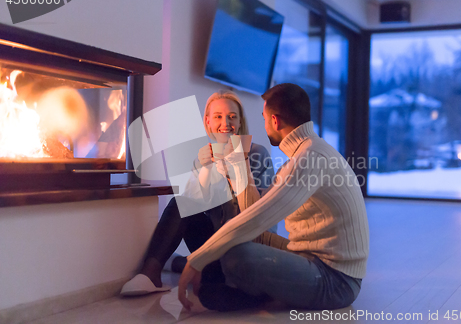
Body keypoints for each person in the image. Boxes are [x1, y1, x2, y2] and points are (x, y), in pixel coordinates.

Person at [178, 83, 370, 311]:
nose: (265, 124)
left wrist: (196, 260)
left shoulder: (309, 159)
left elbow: (257, 219)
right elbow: (255, 211)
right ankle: (253, 291)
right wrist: (238, 164)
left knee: (237, 256)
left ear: (275, 121)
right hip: (310, 257)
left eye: (264, 118)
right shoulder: (305, 153)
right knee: (236, 245)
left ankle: (258, 298)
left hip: (336, 282)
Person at [120, 90, 275, 295]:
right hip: (213, 244)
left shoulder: (257, 153)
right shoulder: (204, 156)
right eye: (218, 116)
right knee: (182, 200)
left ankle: (180, 263)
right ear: (208, 122)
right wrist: (205, 168)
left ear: (239, 123)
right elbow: (190, 205)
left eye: (232, 116)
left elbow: (260, 213)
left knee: (213, 284)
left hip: (247, 245)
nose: (225, 122)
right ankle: (151, 273)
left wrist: (239, 163)